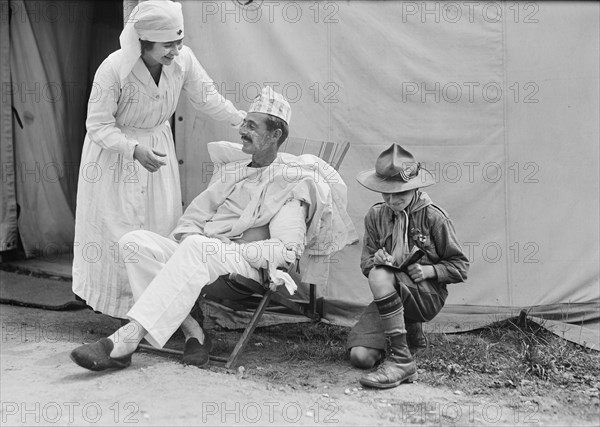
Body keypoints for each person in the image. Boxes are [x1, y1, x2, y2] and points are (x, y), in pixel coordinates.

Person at [70, 87, 355, 371]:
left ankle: (125, 341)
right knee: (134, 242)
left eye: (252, 126)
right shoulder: (233, 172)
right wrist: (191, 239)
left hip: (245, 264)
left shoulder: (292, 183)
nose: (242, 130)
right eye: (244, 123)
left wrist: (232, 248)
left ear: (275, 135)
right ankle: (195, 331)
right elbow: (193, 218)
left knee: (197, 247)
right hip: (202, 251)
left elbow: (286, 249)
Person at [72, 1, 246, 319]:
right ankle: (123, 311)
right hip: (116, 158)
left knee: (159, 226)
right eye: (167, 45)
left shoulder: (183, 60)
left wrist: (239, 119)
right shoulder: (113, 69)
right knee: (118, 230)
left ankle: (160, 310)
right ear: (143, 42)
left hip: (157, 151)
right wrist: (132, 150)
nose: (175, 50)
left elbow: (207, 97)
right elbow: (97, 125)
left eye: (179, 42)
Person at [346, 144, 469, 389]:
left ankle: (402, 361)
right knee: (360, 358)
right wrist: (377, 261)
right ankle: (405, 334)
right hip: (391, 295)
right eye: (385, 193)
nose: (392, 200)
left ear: (415, 187)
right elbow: (365, 264)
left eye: (399, 193)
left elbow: (460, 267)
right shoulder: (376, 216)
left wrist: (429, 271)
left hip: (426, 295)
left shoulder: (434, 217)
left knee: (381, 277)